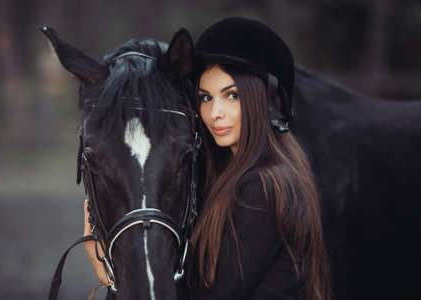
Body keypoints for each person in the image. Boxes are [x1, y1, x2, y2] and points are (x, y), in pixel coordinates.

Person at [84, 16, 330, 300]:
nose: (215, 113)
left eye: (232, 95)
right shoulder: (235, 177)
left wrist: (108, 274)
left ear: (263, 101)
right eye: (206, 98)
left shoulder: (262, 188)